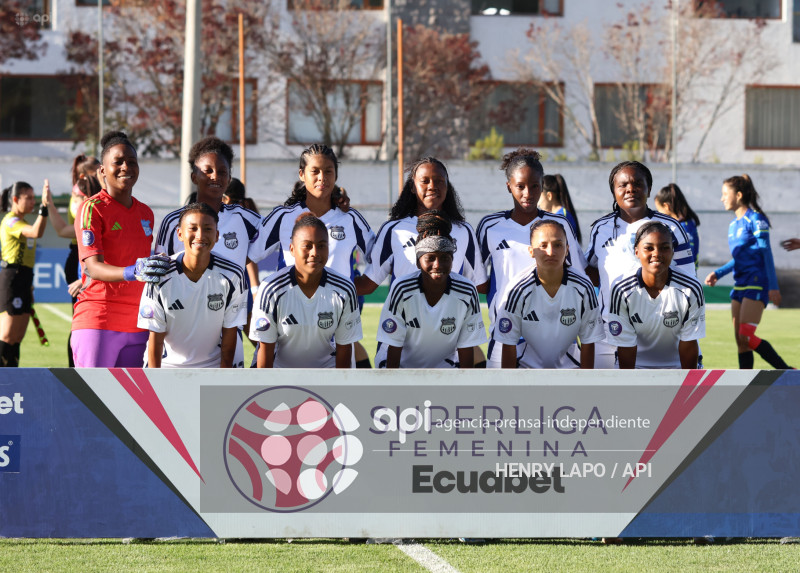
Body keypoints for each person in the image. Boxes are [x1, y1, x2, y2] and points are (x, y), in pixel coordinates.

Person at [249, 144, 373, 367]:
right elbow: (250, 254)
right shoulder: (283, 216)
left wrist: (360, 286)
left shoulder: (350, 218)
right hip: (288, 322)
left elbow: (381, 258)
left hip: (332, 322)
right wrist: (257, 290)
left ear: (336, 175)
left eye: (328, 171)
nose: (321, 177)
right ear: (302, 174)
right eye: (314, 171)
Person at [155, 136, 260, 367]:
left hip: (229, 332)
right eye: (208, 170)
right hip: (181, 335)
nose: (215, 176)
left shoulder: (245, 218)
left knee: (223, 401)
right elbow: (160, 272)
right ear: (194, 176)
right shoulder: (174, 221)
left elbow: (290, 234)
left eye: (222, 172)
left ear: (229, 177)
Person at [477, 149, 586, 368]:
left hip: (558, 332)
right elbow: (478, 281)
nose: (528, 192)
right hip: (507, 334)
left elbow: (577, 274)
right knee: (509, 400)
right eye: (520, 186)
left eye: (534, 186)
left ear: (542, 187)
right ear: (509, 186)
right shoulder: (490, 226)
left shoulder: (560, 225)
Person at [71, 131, 170, 368]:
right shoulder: (91, 208)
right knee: (92, 402)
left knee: (132, 404)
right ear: (102, 171)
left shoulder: (145, 212)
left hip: (139, 321)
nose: (126, 167)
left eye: (132, 162)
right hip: (98, 319)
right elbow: (92, 267)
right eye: (118, 162)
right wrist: (132, 271)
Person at [585, 161, 696, 368]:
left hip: (661, 332)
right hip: (609, 333)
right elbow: (590, 269)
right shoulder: (601, 228)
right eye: (623, 184)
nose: (630, 189)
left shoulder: (670, 226)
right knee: (607, 397)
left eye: (637, 183)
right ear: (613, 190)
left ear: (648, 188)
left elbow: (688, 279)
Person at [138, 202, 247, 368]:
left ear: (217, 235)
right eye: (193, 228)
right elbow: (155, 337)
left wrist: (223, 377)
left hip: (212, 365)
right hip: (167, 366)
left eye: (208, 229)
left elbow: (230, 333)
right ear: (180, 234)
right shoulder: (160, 275)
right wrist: (156, 382)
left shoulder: (233, 274)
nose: (200, 235)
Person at [358, 157, 487, 295]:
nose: (432, 186)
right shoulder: (394, 230)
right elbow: (368, 285)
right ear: (413, 187)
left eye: (439, 181)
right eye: (425, 181)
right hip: (405, 315)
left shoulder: (463, 230)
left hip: (449, 316)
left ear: (447, 186)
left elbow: (481, 284)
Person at [375, 210, 487, 368]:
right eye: (430, 258)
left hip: (444, 369)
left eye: (445, 258)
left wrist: (463, 389)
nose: (437, 265)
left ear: (452, 260)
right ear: (418, 261)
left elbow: (467, 349)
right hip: (402, 367)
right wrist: (396, 389)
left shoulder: (467, 291)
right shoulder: (402, 289)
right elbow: (394, 347)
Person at [249, 213, 362, 368]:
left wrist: (338, 389)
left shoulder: (345, 289)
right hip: (281, 374)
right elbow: (265, 350)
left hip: (325, 374)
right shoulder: (271, 289)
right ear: (292, 249)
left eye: (321, 246)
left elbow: (345, 349)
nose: (314, 252)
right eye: (307, 246)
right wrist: (270, 390)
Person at [704, 175, 792, 370]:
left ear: (739, 195)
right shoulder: (733, 225)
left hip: (756, 282)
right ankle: (747, 387)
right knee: (740, 341)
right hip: (740, 284)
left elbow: (766, 252)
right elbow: (740, 257)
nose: (722, 198)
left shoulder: (756, 219)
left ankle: (787, 371)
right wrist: (718, 273)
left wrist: (773, 287)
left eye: (725, 194)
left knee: (746, 335)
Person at [495, 219, 603, 369]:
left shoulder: (584, 287)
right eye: (543, 245)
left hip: (571, 369)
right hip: (526, 369)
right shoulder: (517, 289)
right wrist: (511, 386)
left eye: (558, 245)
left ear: (567, 249)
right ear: (531, 251)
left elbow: (588, 341)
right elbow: (508, 343)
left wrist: (583, 384)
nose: (551, 252)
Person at [607, 221, 705, 369]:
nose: (656, 254)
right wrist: (629, 387)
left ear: (673, 251)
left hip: (677, 366)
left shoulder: (691, 288)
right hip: (637, 366)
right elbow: (626, 347)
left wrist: (686, 387)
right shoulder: (621, 289)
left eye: (664, 248)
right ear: (637, 251)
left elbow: (688, 345)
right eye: (648, 248)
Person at [0, 180, 52, 366]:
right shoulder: (11, 220)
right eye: (28, 198)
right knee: (6, 335)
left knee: (17, 338)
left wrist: (28, 284)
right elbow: (36, 232)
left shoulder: (22, 221)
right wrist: (44, 207)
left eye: (34, 198)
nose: (33, 201)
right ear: (15, 199)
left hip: (24, 278)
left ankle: (12, 380)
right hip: (11, 278)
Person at [654, 183, 700, 269]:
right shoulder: (681, 224)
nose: (658, 213)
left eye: (659, 210)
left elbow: (689, 254)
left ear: (666, 206)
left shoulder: (684, 226)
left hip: (685, 276)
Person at [539, 173, 582, 244]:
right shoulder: (556, 216)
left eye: (539, 197)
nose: (538, 203)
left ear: (549, 196)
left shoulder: (561, 218)